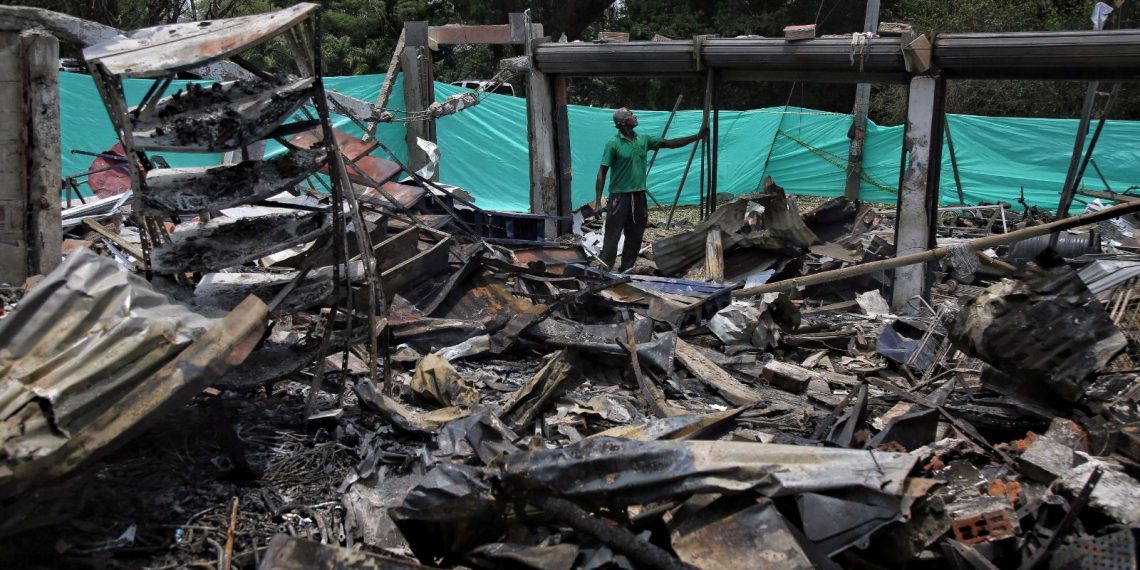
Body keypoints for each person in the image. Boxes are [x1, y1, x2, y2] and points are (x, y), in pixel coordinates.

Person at [594, 107, 705, 272]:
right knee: (613, 234)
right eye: (631, 115)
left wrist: (697, 136)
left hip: (639, 195)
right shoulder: (613, 144)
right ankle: (604, 270)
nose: (634, 116)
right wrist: (597, 202)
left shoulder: (643, 139)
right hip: (619, 196)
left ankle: (626, 268)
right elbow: (602, 172)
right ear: (623, 123)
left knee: (636, 234)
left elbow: (670, 143)